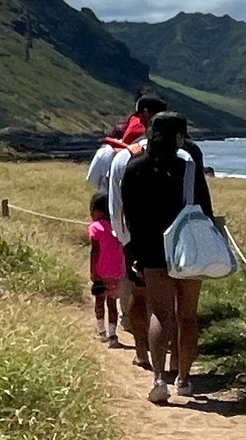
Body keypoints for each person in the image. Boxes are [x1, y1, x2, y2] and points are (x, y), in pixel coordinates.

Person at [119, 111, 215, 403]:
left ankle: (159, 379)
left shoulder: (134, 169)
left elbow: (130, 216)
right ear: (179, 137)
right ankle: (184, 379)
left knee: (159, 313)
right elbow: (205, 211)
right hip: (187, 250)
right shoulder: (189, 168)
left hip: (151, 249)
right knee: (187, 316)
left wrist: (132, 251)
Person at [105, 92, 168, 371]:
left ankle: (143, 353)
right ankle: (176, 363)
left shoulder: (124, 157)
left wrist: (124, 239)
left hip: (137, 239)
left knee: (140, 298)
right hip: (172, 240)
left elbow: (115, 205)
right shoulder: (184, 157)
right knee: (172, 303)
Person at [87, 193, 125, 343]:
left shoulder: (95, 228)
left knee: (99, 300)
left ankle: (101, 329)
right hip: (116, 271)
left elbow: (94, 251)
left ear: (98, 211)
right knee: (112, 303)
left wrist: (92, 270)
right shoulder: (116, 227)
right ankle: (113, 333)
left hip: (101, 271)